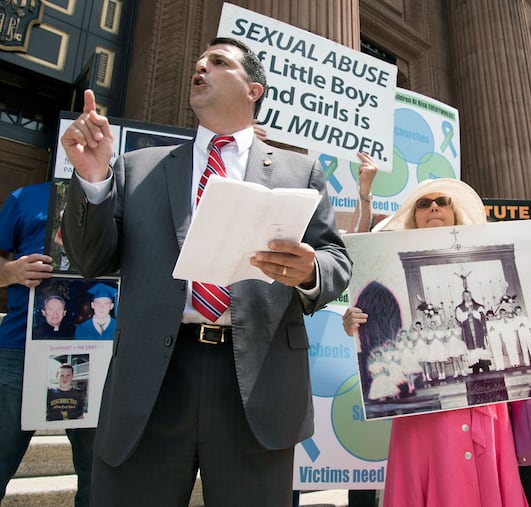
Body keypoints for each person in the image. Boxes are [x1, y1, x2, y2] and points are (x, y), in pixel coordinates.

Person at [59, 37, 351, 506]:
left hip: (256, 384)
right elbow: (92, 260)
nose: (200, 67)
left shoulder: (301, 172)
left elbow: (336, 261)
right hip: (152, 381)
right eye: (198, 62)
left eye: (217, 62)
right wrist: (94, 180)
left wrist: (310, 268)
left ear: (253, 89)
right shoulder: (138, 168)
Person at [343, 178, 530, 506]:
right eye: (423, 204)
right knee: (437, 471)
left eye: (442, 202)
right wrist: (352, 323)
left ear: (454, 212)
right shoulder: (390, 265)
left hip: (484, 402)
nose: (433, 208)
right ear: (413, 216)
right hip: (426, 417)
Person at [0, 181, 95, 506]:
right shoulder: (25, 196)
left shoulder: (122, 201)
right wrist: (11, 271)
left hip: (94, 353)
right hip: (20, 348)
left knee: (97, 473)